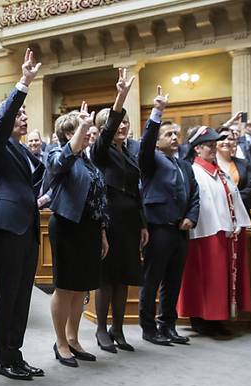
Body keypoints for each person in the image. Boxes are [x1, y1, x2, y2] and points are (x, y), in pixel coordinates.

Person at [0, 49, 44, 381]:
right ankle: (1, 359)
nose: (23, 117)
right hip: (7, 227)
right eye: (17, 113)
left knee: (22, 295)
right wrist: (24, 82)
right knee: (7, 295)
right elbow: (4, 122)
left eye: (23, 113)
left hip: (28, 227)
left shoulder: (21, 149)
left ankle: (15, 354)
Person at [46, 103, 109, 368]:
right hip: (67, 226)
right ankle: (60, 341)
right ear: (68, 133)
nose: (88, 134)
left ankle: (73, 338)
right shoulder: (57, 154)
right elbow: (60, 163)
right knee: (65, 286)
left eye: (88, 129)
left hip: (90, 229)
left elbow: (99, 199)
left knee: (81, 287)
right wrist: (83, 125)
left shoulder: (88, 159)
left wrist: (103, 233)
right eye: (82, 130)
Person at [90, 68, 147, 353]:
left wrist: (143, 224)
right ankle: (101, 329)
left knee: (125, 275)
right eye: (118, 121)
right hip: (108, 220)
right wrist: (120, 98)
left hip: (129, 220)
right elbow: (109, 128)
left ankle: (118, 329)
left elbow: (136, 191)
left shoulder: (128, 153)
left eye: (126, 121)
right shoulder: (100, 149)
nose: (123, 125)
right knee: (106, 277)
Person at [138, 87, 200, 346]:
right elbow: (147, 141)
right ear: (158, 139)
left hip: (180, 228)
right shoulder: (150, 159)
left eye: (176, 133)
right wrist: (157, 112)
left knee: (173, 280)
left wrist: (191, 217)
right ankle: (149, 328)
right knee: (152, 279)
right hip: (159, 227)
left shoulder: (185, 165)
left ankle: (168, 325)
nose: (174, 137)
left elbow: (195, 195)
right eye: (169, 134)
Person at [178, 126, 251, 336]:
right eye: (209, 146)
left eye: (213, 145)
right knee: (205, 279)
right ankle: (202, 321)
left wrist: (237, 221)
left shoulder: (218, 171)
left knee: (218, 280)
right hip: (204, 234)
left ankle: (215, 319)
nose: (213, 149)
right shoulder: (194, 171)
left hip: (223, 233)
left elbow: (232, 197)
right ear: (197, 149)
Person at [216, 126, 251, 213]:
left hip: (241, 210)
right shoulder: (209, 165)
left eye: (230, 139)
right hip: (217, 211)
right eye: (222, 138)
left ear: (235, 142)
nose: (226, 142)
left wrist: (232, 197)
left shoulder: (244, 164)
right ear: (215, 142)